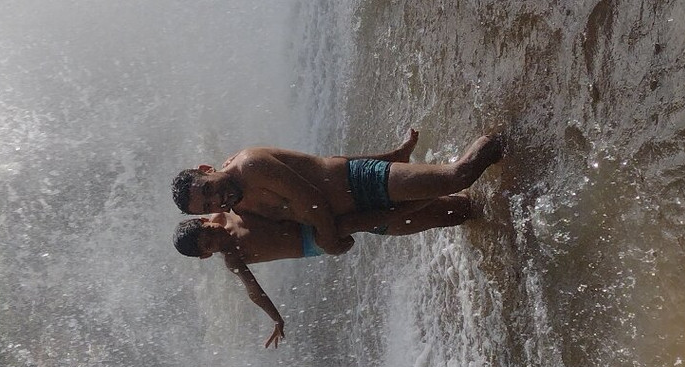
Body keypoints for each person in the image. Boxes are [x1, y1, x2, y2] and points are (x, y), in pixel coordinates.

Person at [173, 194, 478, 348]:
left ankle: (456, 205)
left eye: (209, 231)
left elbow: (234, 190)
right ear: (205, 255)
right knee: (378, 220)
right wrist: (276, 318)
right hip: (313, 240)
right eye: (209, 245)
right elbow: (254, 291)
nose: (216, 237)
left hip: (310, 217)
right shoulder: (233, 259)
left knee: (381, 217)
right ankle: (438, 203)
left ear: (205, 220)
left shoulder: (224, 211)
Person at [171, 130, 503, 256]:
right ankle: (519, 203)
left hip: (364, 183)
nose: (216, 199)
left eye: (208, 189)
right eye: (208, 205)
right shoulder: (243, 211)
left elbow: (309, 198)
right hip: (365, 218)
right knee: (460, 213)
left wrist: (330, 241)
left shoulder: (250, 165)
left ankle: (511, 135)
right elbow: (296, 226)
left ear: (206, 169)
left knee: (458, 175)